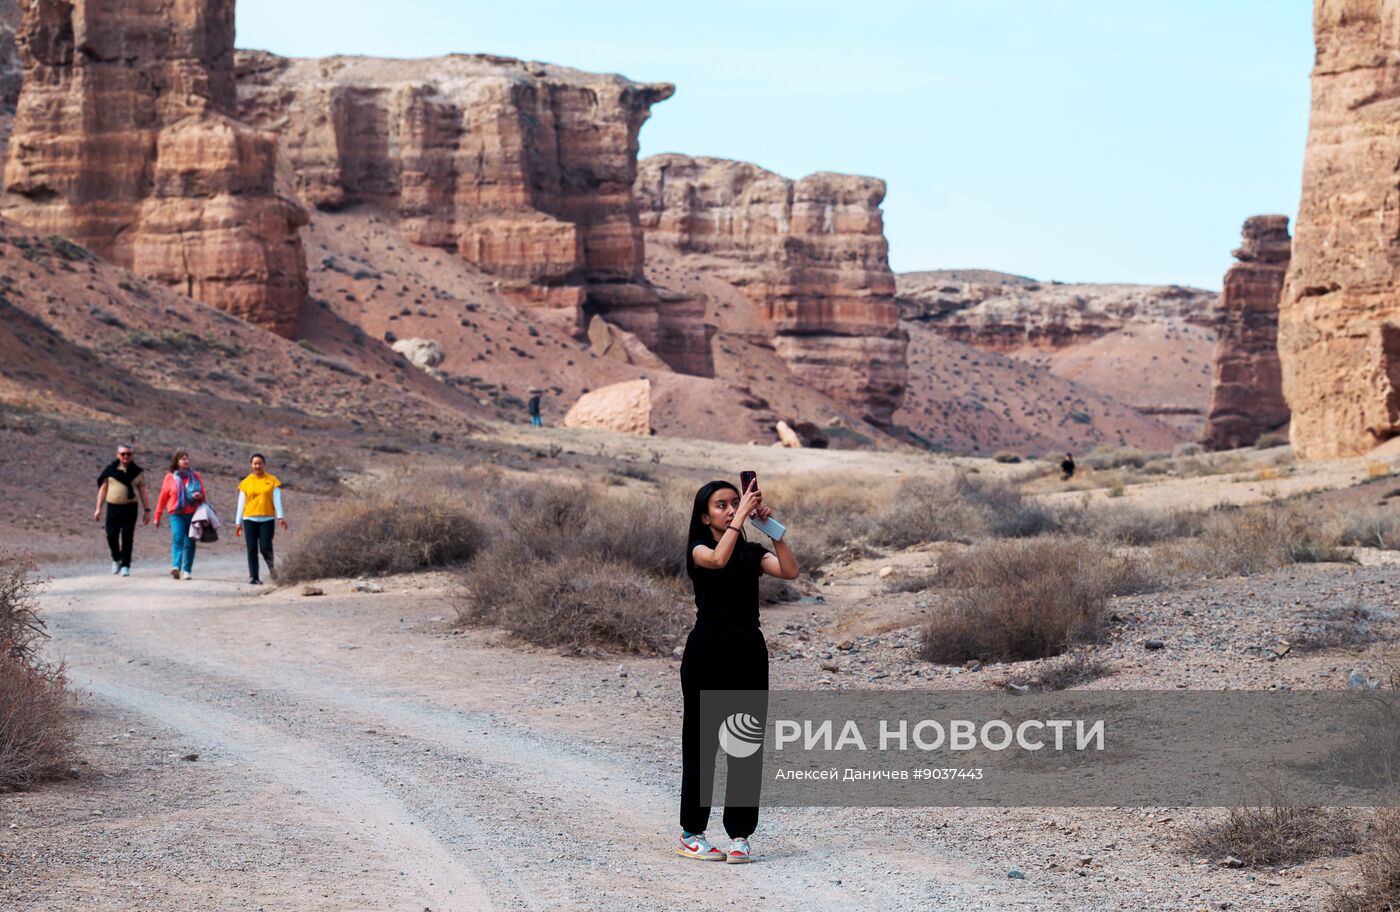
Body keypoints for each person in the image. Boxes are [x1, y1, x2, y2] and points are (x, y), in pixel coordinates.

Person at [677, 478, 799, 865]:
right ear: (704, 515)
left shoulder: (750, 551)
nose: (731, 509)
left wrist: (772, 528)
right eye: (722, 505)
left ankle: (740, 835)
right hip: (707, 650)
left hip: (748, 650)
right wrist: (740, 519)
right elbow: (716, 560)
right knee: (702, 745)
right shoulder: (699, 549)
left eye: (735, 502)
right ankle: (691, 834)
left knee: (744, 744)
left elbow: (790, 571)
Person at [94, 444, 151, 577]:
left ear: (132, 456)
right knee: (111, 535)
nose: (126, 456)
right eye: (123, 454)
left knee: (127, 536)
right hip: (113, 507)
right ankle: (116, 558)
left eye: (129, 454)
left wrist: (147, 510)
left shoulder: (137, 472)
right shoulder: (111, 470)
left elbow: (143, 491)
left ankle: (126, 565)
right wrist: (98, 508)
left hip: (130, 508)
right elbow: (103, 489)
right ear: (118, 455)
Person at [235, 453, 286, 585]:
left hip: (267, 519)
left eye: (260, 463)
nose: (257, 466)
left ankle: (272, 568)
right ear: (251, 465)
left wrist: (280, 516)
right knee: (251, 548)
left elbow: (277, 500)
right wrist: (238, 521)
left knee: (265, 547)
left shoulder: (272, 480)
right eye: (255, 463)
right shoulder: (245, 483)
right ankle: (254, 576)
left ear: (264, 464)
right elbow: (241, 503)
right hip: (249, 519)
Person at [153, 451, 206, 580]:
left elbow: (203, 494)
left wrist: (199, 496)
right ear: (176, 461)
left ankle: (187, 570)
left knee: (190, 542)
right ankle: (176, 566)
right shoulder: (169, 477)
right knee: (177, 537)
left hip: (192, 513)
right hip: (176, 514)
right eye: (183, 459)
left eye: (187, 459)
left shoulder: (195, 476)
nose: (186, 461)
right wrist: (157, 515)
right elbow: (163, 497)